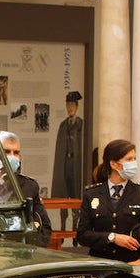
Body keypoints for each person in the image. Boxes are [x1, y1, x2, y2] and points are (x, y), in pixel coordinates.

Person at [76, 139, 140, 265]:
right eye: (129, 159)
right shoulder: (92, 194)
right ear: (114, 164)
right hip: (100, 264)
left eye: (134, 158)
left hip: (132, 265)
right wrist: (112, 237)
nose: (133, 163)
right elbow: (82, 235)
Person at [0, 131, 52, 247]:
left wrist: (31, 249)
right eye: (7, 152)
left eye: (16, 153)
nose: (12, 156)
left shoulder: (29, 186)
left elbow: (44, 226)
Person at [51, 90, 84, 230]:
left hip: (76, 165)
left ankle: (75, 229)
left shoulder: (81, 125)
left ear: (77, 106)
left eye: (72, 105)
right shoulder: (63, 125)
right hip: (65, 164)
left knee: (76, 196)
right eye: (68, 105)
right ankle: (63, 228)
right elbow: (60, 148)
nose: (70, 108)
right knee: (63, 196)